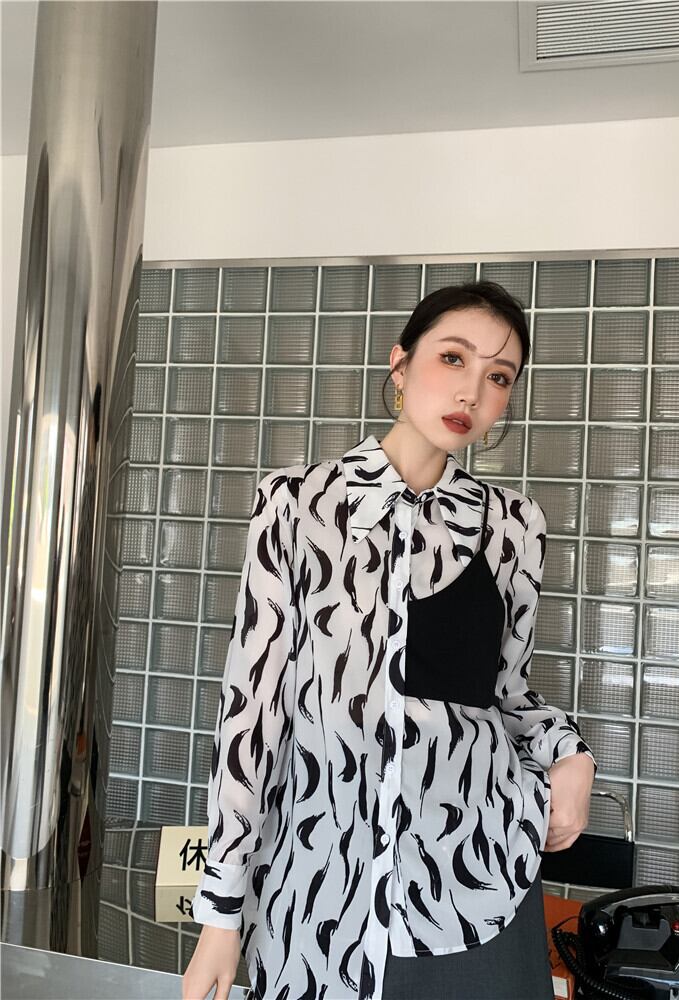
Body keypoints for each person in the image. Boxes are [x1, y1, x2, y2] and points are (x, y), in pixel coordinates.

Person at [182, 281, 597, 1000]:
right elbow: (254, 714)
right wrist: (221, 911)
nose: (472, 391)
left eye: (499, 377)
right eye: (453, 358)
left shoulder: (513, 526)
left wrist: (571, 754)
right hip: (320, 896)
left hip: (474, 882)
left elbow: (507, 694)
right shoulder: (297, 506)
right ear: (399, 364)